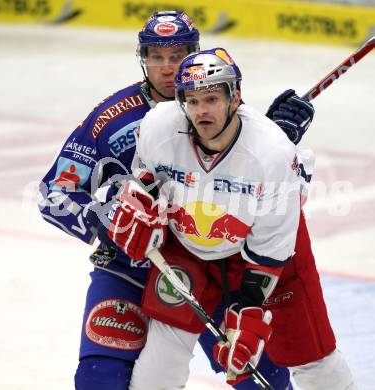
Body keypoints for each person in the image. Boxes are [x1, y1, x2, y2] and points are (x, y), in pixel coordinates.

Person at [38, 11, 315, 390]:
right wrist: (109, 224)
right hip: (130, 270)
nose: (167, 67)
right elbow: (54, 194)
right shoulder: (111, 118)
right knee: (99, 379)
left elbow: (260, 173)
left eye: (178, 54)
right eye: (156, 56)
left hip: (207, 266)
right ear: (143, 58)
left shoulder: (223, 110)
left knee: (260, 376)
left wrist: (282, 142)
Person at [106, 48, 358, 390]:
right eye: (192, 101)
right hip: (190, 247)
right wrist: (139, 203)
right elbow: (146, 178)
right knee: (160, 363)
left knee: (313, 359)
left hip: (269, 258)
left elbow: (270, 251)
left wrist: (248, 309)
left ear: (235, 97)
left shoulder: (271, 153)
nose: (201, 111)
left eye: (211, 98)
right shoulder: (159, 126)